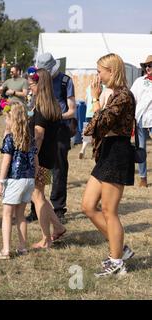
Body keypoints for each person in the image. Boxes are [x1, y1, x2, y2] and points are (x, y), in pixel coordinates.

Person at [82, 53, 136, 277]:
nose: (98, 76)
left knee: (108, 210)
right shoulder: (113, 95)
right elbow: (94, 126)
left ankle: (116, 262)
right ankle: (120, 249)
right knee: (87, 205)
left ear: (111, 71)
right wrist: (99, 102)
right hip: (107, 153)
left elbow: (99, 124)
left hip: (117, 153)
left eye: (100, 71)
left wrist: (95, 100)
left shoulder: (123, 96)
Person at [34, 53, 77, 224]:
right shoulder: (38, 81)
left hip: (60, 129)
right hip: (42, 127)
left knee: (59, 169)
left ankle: (58, 209)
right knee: (40, 165)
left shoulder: (66, 81)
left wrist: (55, 116)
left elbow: (72, 110)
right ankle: (36, 206)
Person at [27, 68, 67, 249]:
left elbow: (39, 135)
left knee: (37, 196)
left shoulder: (42, 108)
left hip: (40, 157)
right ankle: (58, 227)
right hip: (48, 156)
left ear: (40, 85)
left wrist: (33, 157)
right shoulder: (53, 105)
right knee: (39, 195)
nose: (30, 89)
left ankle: (46, 238)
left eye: (32, 85)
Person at [0, 102, 38, 260]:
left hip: (14, 179)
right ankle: (22, 247)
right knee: (21, 215)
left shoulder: (10, 138)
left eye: (7, 118)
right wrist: (34, 176)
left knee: (7, 215)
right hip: (29, 180)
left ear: (11, 119)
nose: (5, 121)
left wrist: (0, 181)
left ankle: (6, 250)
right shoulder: (30, 137)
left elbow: (6, 161)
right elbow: (36, 160)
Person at [131, 55, 152, 188]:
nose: (148, 68)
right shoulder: (139, 81)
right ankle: (143, 178)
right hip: (141, 118)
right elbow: (132, 98)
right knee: (141, 149)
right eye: (147, 66)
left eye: (151, 65)